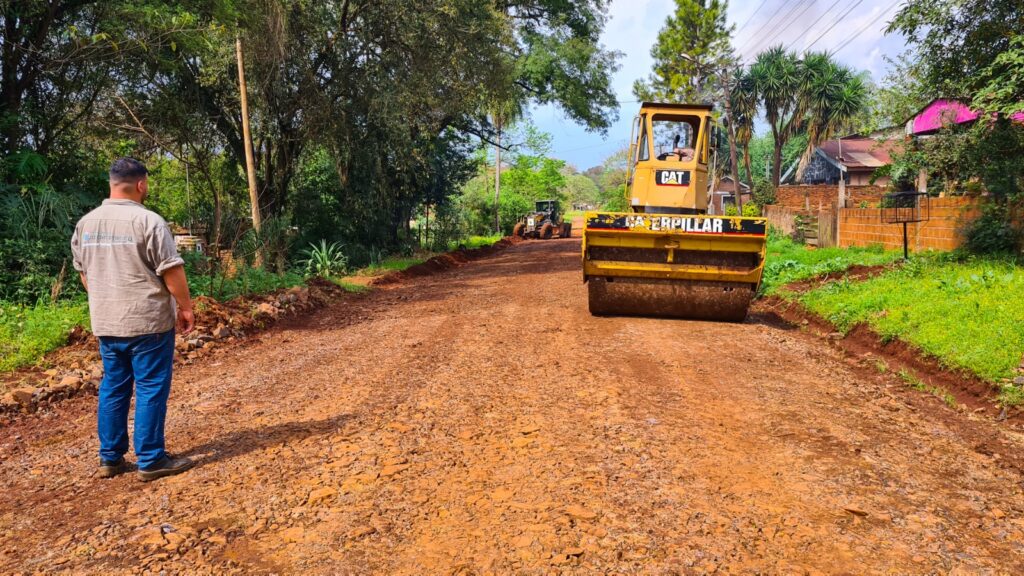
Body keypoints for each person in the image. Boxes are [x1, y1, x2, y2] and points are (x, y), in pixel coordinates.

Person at [71, 157, 196, 482]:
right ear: (141, 184)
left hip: (107, 322)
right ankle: (151, 459)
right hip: (147, 322)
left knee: (114, 387)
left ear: (112, 183)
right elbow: (171, 270)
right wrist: (185, 307)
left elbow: (84, 273)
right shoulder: (148, 221)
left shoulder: (86, 224)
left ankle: (110, 458)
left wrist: (105, 299)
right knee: (151, 387)